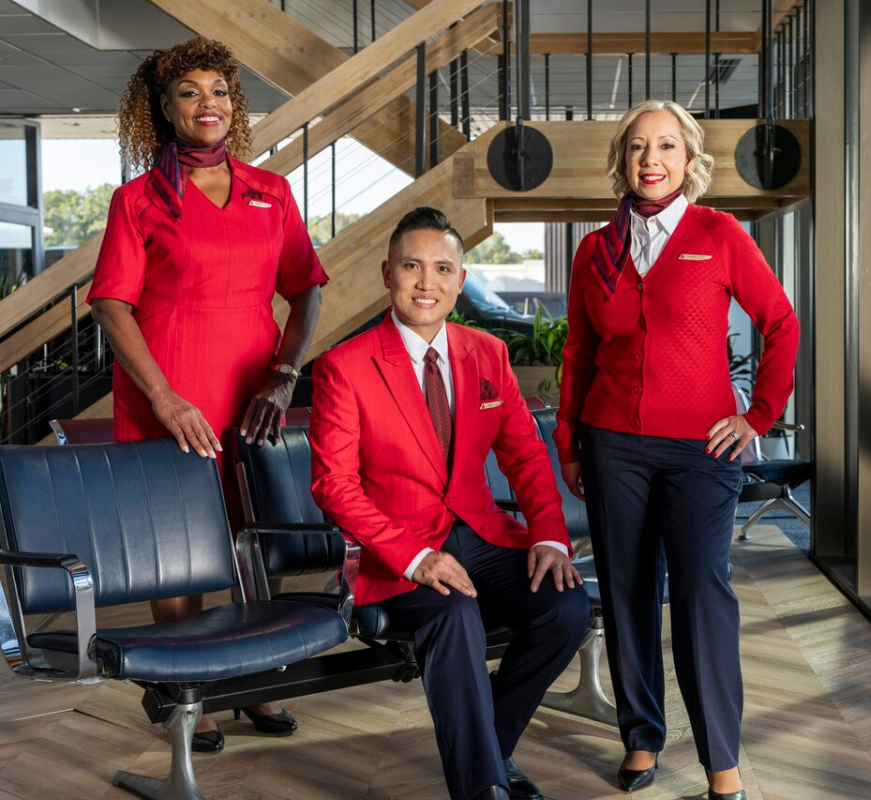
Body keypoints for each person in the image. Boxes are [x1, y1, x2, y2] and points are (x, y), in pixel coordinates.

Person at [554, 100, 800, 800]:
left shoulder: (718, 234)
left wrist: (757, 415)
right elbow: (579, 354)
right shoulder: (595, 250)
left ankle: (722, 759)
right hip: (611, 445)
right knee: (627, 591)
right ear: (622, 160)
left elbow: (782, 322)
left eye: (666, 146)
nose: (651, 159)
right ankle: (641, 737)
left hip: (700, 449)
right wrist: (570, 442)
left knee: (701, 593)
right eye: (638, 146)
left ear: (689, 159)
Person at [88, 37, 327, 752]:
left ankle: (256, 676)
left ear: (234, 103)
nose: (208, 104)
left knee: (258, 534)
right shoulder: (138, 200)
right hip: (166, 394)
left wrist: (284, 375)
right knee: (179, 545)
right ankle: (185, 690)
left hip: (251, 393)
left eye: (219, 90)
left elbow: (307, 289)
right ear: (165, 108)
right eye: (189, 92)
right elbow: (111, 305)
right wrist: (162, 397)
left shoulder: (270, 191)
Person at [309, 207, 590, 800]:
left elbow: (526, 455)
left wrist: (548, 535)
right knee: (454, 613)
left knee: (566, 608)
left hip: (483, 536)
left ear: (461, 280)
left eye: (442, 269)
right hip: (398, 553)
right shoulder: (345, 366)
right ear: (388, 273)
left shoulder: (487, 353)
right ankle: (484, 787)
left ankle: (489, 748)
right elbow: (334, 485)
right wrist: (415, 557)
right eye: (412, 266)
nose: (426, 283)